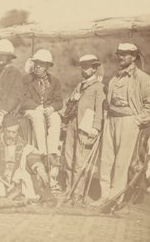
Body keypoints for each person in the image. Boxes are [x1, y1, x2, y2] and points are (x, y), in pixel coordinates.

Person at [92, 43, 150, 206]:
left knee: (122, 162)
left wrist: (137, 120)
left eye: (125, 54)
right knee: (106, 160)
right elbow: (108, 101)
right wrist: (107, 117)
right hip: (111, 120)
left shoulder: (142, 78)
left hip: (129, 121)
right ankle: (104, 195)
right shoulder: (115, 78)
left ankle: (115, 198)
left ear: (134, 57)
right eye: (119, 54)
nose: (121, 57)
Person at [63, 54, 106, 200]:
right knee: (69, 158)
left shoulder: (99, 88)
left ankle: (77, 193)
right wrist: (71, 99)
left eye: (87, 67)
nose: (84, 69)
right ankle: (68, 189)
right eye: (82, 66)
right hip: (72, 124)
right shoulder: (79, 85)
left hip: (85, 126)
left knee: (80, 161)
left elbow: (100, 109)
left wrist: (96, 127)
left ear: (94, 69)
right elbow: (70, 103)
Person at [20, 49, 63, 189]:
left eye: (41, 64)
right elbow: (22, 98)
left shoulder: (55, 81)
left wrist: (51, 108)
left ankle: (52, 153)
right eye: (36, 63)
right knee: (38, 116)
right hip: (30, 111)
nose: (37, 66)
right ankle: (43, 153)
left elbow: (59, 101)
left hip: (46, 111)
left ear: (48, 66)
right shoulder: (26, 79)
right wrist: (36, 106)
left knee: (56, 117)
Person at [0, 115, 51, 201]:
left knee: (26, 173)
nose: (11, 135)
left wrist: (40, 169)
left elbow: (32, 156)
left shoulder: (23, 145)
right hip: (0, 178)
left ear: (17, 132)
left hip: (16, 179)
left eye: (13, 132)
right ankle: (0, 197)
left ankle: (21, 196)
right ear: (3, 130)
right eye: (8, 132)